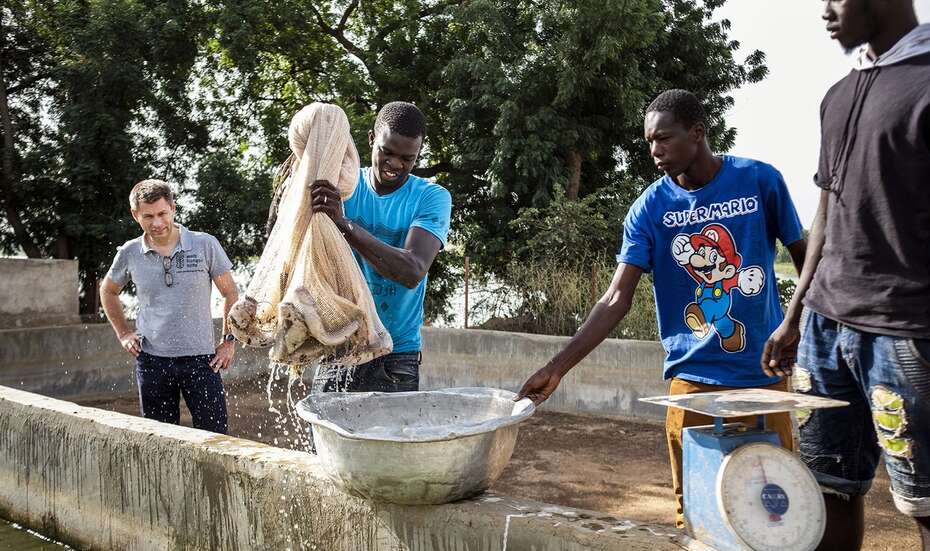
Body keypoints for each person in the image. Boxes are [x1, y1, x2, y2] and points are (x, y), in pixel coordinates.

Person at [515, 89, 806, 527]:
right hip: (692, 381)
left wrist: (797, 323)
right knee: (695, 510)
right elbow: (616, 298)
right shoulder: (650, 208)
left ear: (698, 132)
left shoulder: (760, 181)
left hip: (762, 376)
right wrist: (558, 367)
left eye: (665, 139)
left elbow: (807, 260)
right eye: (650, 141)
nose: (655, 151)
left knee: (775, 509)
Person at [761, 2, 930, 549]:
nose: (826, 10)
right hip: (825, 329)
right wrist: (795, 314)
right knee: (826, 491)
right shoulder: (839, 94)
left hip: (907, 333)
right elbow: (827, 212)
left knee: (925, 504)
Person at [305, 101, 452, 392]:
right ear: (372, 139)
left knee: (390, 439)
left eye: (407, 158)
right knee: (328, 438)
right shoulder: (342, 187)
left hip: (395, 357)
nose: (395, 164)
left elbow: (412, 270)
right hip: (338, 346)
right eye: (387, 152)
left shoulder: (431, 197)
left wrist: (345, 225)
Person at [100, 179, 239, 434]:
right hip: (153, 362)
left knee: (215, 438)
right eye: (148, 216)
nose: (157, 223)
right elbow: (108, 291)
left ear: (173, 208)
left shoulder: (204, 244)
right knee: (160, 440)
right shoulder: (129, 252)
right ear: (135, 216)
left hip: (202, 361)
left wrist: (228, 340)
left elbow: (230, 292)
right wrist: (123, 333)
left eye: (163, 213)